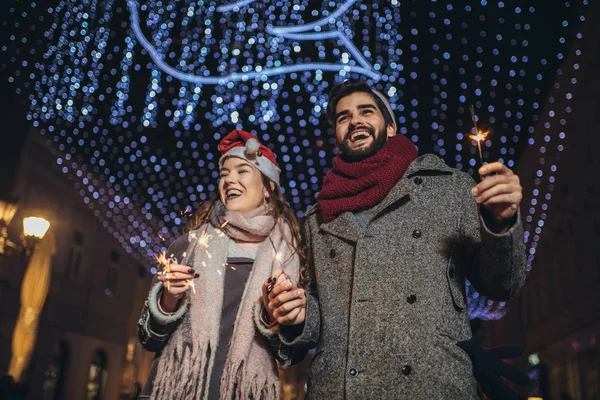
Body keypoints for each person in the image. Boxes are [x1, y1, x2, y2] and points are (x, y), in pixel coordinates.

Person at [259, 79, 528, 399]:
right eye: (343, 117)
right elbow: (317, 319)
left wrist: (501, 224)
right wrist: (297, 316)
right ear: (337, 136)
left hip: (433, 386)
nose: (354, 120)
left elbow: (502, 284)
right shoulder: (316, 220)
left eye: (366, 111)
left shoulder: (450, 188)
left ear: (390, 126)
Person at [137, 129, 303, 399]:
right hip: (173, 391)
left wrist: (273, 318)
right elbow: (148, 338)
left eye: (242, 171)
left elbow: (290, 356)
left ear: (268, 186)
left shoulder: (288, 258)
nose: (229, 180)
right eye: (224, 173)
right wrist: (167, 300)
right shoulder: (187, 247)